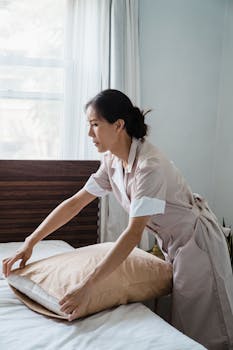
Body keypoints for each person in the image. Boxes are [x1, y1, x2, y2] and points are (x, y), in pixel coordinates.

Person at [2, 89, 233, 350]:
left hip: (198, 245)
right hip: (175, 245)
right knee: (185, 322)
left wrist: (87, 286)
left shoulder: (150, 167)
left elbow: (133, 234)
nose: (90, 134)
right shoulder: (112, 162)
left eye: (95, 125)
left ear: (119, 125)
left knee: (210, 331)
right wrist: (30, 242)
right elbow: (75, 203)